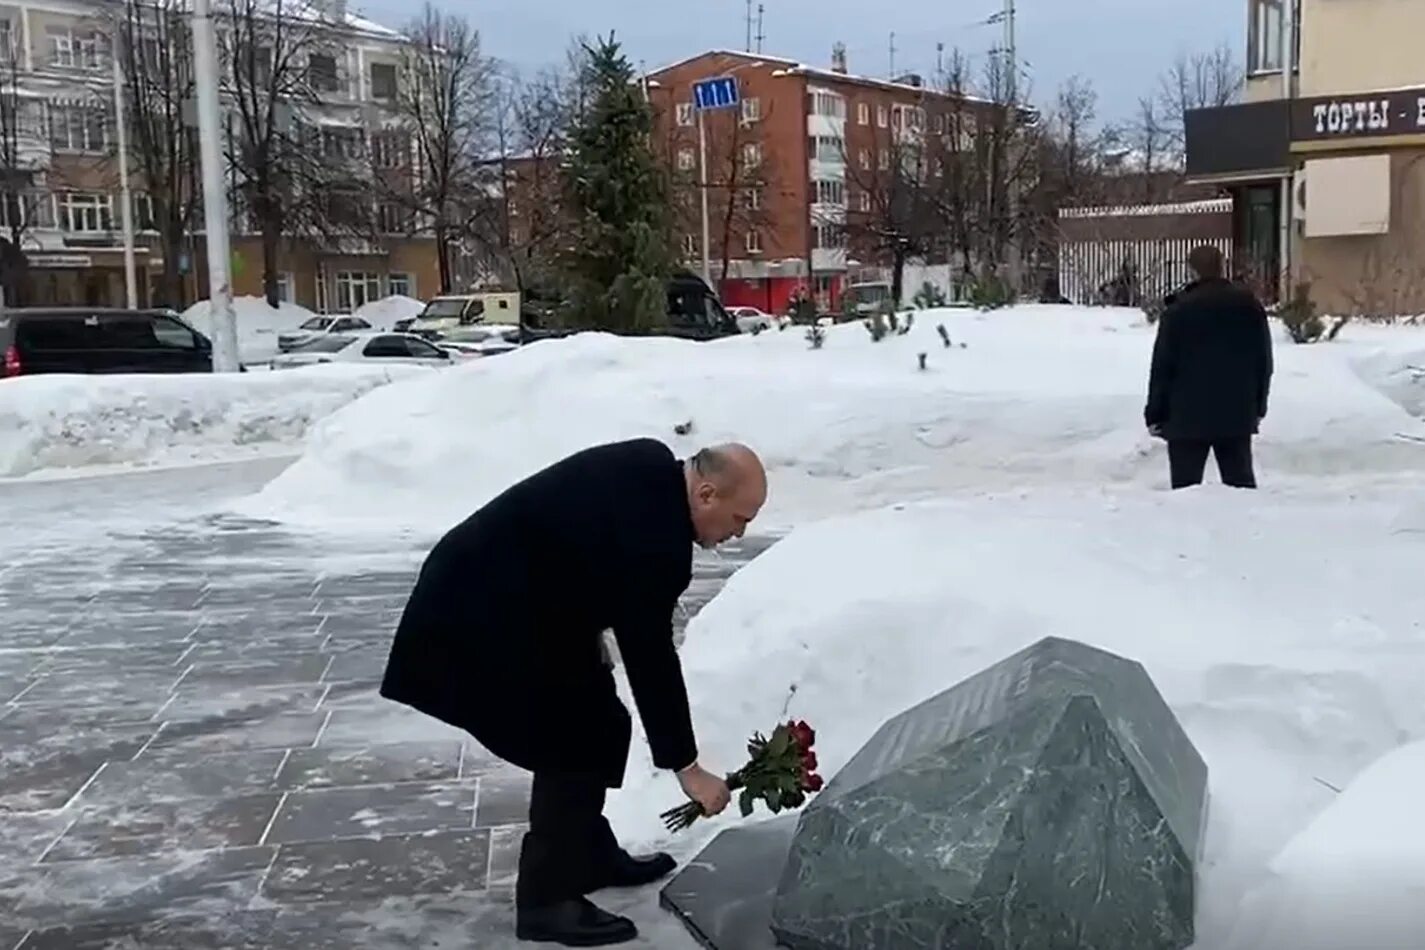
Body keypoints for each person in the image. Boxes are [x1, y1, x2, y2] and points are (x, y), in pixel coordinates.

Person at [380, 438, 768, 946]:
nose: (738, 534)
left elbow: (579, 548)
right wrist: (688, 768)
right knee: (572, 738)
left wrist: (588, 632)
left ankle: (584, 852)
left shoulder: (652, 467)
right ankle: (546, 898)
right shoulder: (658, 538)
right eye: (740, 519)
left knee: (602, 719)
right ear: (707, 494)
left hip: (513, 603)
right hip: (470, 615)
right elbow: (650, 657)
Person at [1145, 245, 1274, 490]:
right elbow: (1263, 361)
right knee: (1240, 485)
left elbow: (1163, 367)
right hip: (1236, 411)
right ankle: (1245, 527)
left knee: (1185, 487)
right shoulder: (1249, 306)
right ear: (1222, 267)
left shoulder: (1179, 311)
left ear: (1192, 271)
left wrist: (1155, 413)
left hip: (1186, 414)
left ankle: (1187, 528)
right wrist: (1258, 406)